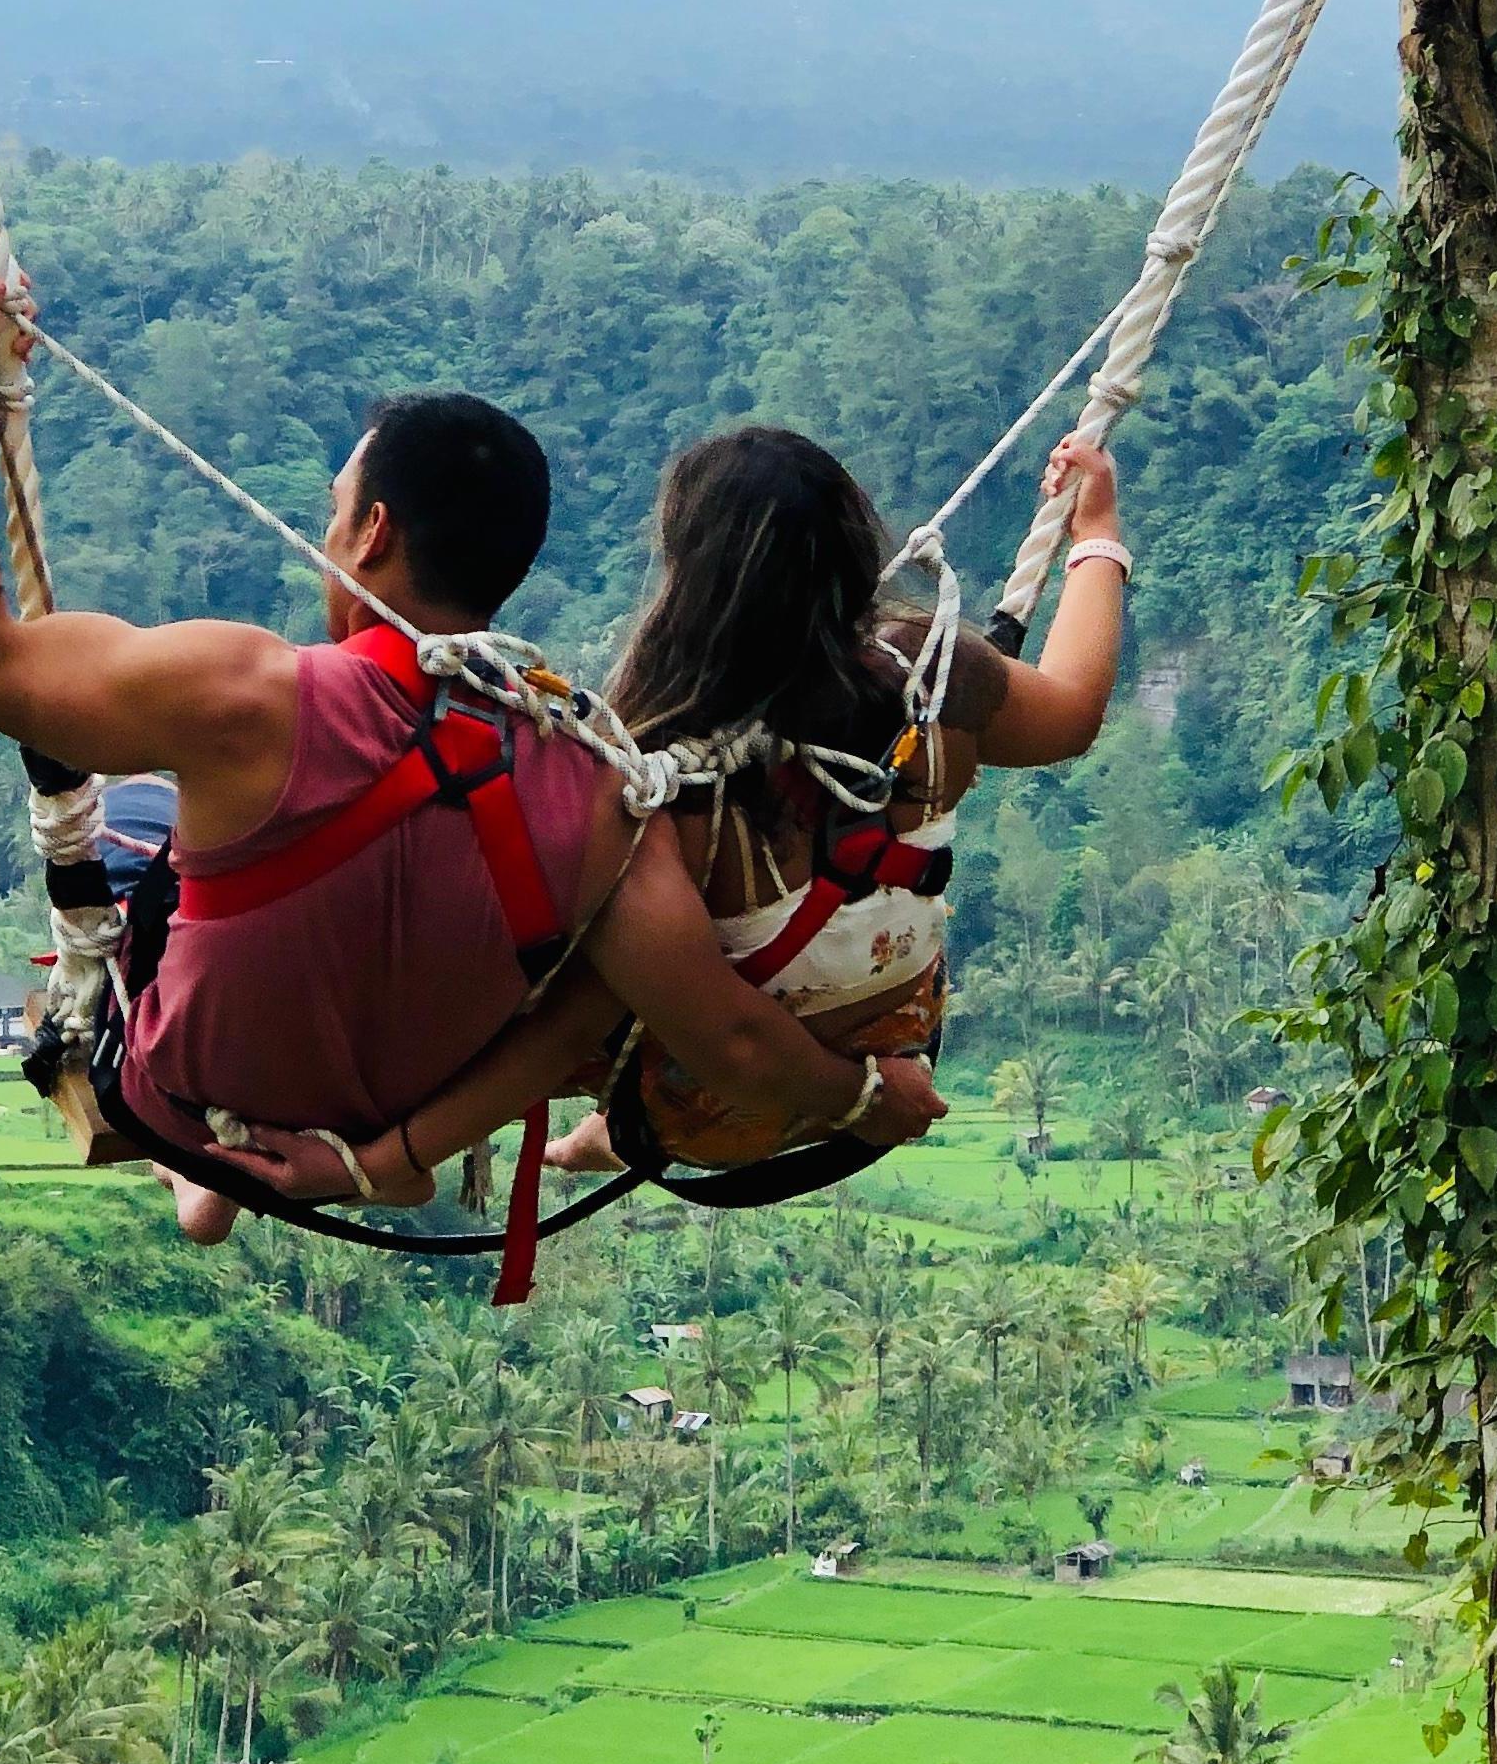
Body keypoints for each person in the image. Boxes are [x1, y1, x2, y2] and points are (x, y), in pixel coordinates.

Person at [0, 274, 942, 1242]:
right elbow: (715, 1035)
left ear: (371, 535)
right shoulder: (606, 789)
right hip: (394, 1111)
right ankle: (303, 1164)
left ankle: (198, 1161)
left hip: (182, 1080)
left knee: (137, 811)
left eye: (333, 510)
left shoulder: (248, 696)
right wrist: (861, 1099)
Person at [221, 417, 1125, 1209]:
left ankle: (581, 1132)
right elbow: (1069, 712)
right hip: (900, 1031)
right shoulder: (928, 678)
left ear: (688, 577)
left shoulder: (659, 795)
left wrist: (382, 1160)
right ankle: (596, 1138)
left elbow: (703, 1038)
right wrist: (1097, 537)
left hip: (740, 1112)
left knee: (550, 967)